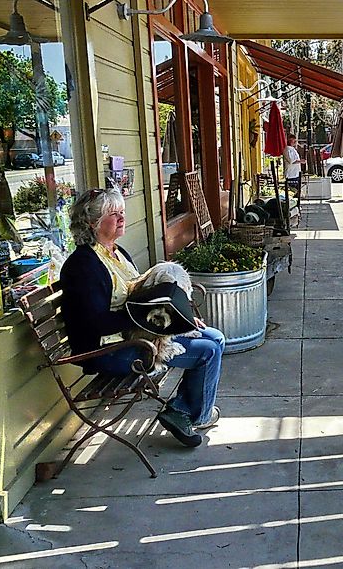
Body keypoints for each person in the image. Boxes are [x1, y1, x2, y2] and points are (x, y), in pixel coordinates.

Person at [60, 188, 225, 448]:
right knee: (208, 351)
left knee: (216, 337)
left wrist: (181, 319)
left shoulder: (116, 252)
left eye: (122, 212)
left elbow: (142, 294)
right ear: (92, 223)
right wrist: (148, 319)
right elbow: (95, 323)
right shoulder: (83, 266)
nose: (122, 218)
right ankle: (192, 414)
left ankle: (184, 409)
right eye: (113, 214)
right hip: (109, 350)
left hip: (136, 336)